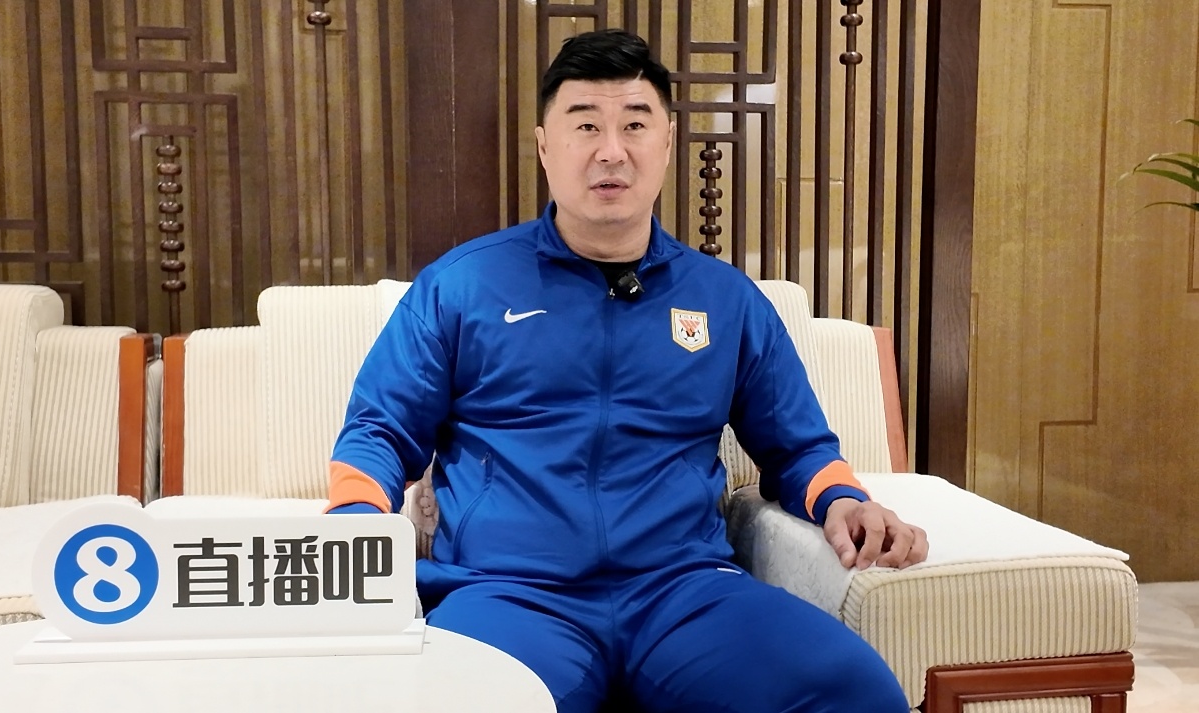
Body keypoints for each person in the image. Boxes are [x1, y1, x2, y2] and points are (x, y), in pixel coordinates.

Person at [327, 28, 927, 713]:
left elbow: (798, 446)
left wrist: (845, 502)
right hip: (509, 594)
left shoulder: (725, 300)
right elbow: (379, 429)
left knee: (855, 691)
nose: (611, 150)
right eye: (586, 124)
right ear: (545, 146)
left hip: (684, 593)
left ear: (666, 143)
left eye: (635, 124)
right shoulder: (462, 286)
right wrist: (354, 523)